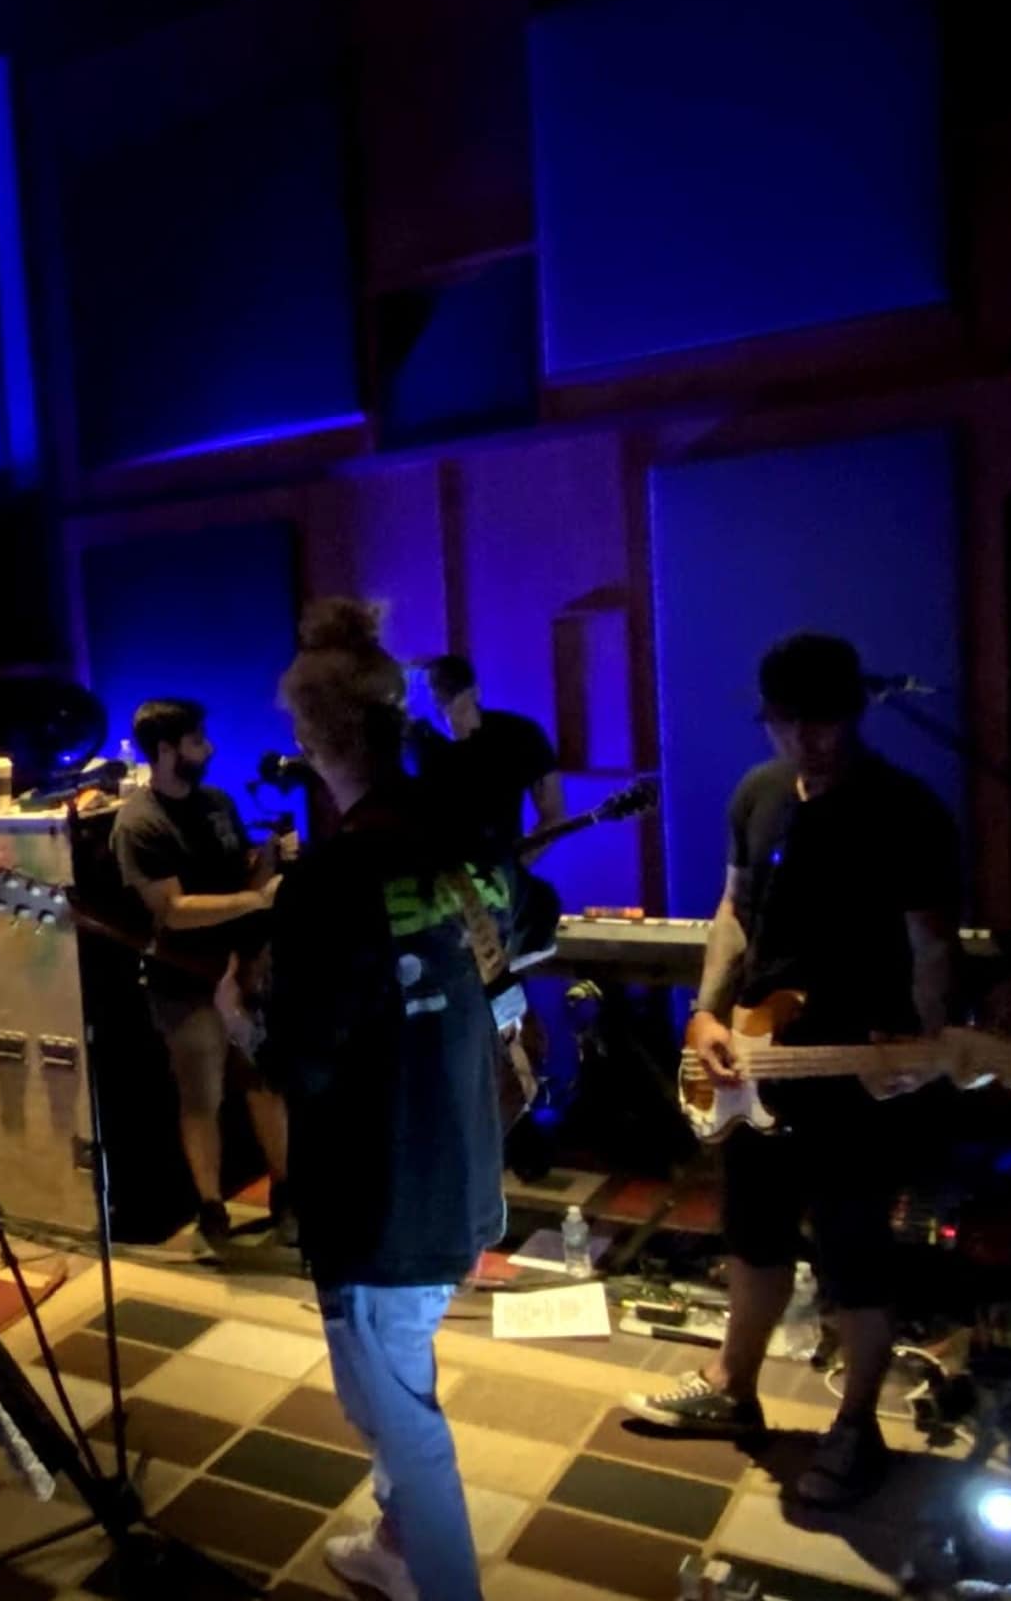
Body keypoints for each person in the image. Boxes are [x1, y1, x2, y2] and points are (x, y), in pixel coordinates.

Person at [237, 604, 512, 1601]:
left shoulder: (331, 883)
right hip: (459, 1166)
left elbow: (300, 1064)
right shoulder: (463, 843)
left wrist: (239, 1014)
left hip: (378, 1191)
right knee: (387, 1381)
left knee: (395, 1410)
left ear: (314, 737)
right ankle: (402, 1553)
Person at [633, 632, 962, 1506]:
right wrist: (704, 1010)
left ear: (855, 711)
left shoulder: (907, 809)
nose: (804, 741)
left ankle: (856, 1427)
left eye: (821, 721)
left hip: (853, 1067)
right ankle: (733, 1390)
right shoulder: (758, 793)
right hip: (753, 1053)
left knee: (854, 1250)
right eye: (786, 723)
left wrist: (925, 1048)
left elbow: (931, 946)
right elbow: (735, 910)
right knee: (754, 1234)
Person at [110, 698, 290, 1243]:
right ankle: (211, 1204)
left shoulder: (216, 802)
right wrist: (254, 903)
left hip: (245, 969)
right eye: (196, 742)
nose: (208, 750)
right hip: (185, 977)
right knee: (202, 1092)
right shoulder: (139, 824)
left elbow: (242, 874)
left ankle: (287, 1187)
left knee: (264, 1079)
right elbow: (174, 911)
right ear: (166, 751)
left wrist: (269, 860)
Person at [412, 653, 566, 861]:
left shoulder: (519, 734)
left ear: (475, 693)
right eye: (440, 702)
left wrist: (512, 869)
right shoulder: (414, 743)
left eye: (456, 703)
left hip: (499, 876)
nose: (450, 715)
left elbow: (554, 816)